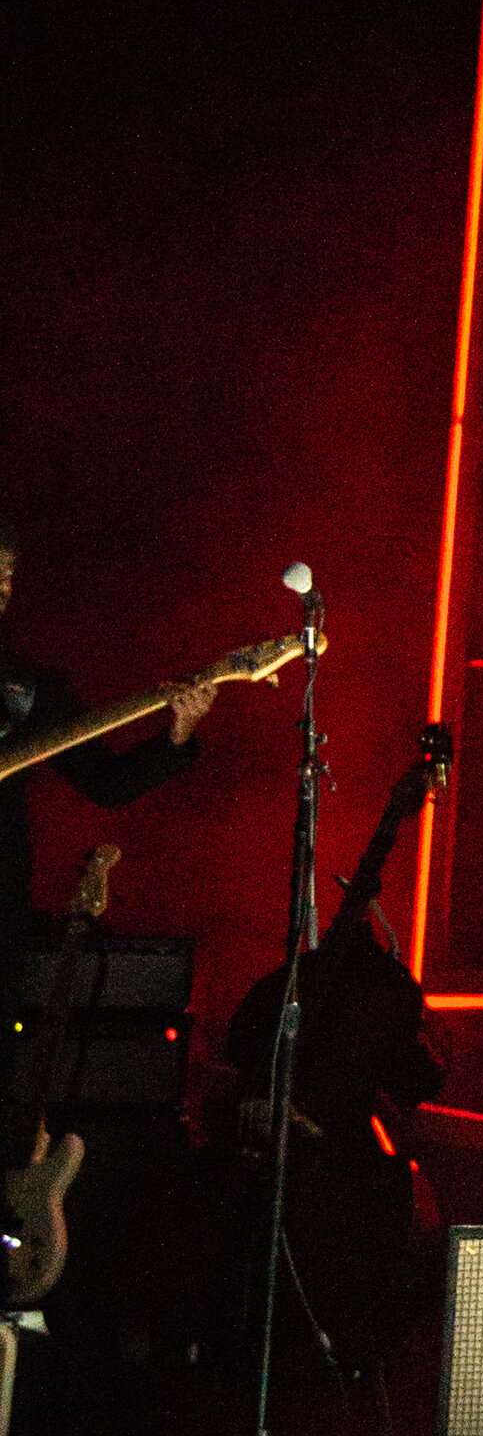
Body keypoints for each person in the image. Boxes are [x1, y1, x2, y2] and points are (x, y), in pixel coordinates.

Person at [1, 520, 219, 1304]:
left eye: (6, 580)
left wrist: (178, 733)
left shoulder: (28, 692)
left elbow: (107, 784)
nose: (0, 593)